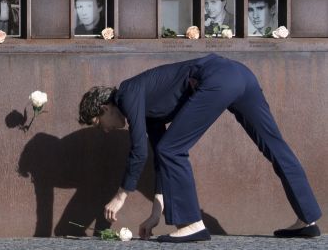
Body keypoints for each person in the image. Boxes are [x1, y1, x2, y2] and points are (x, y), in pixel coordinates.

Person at [78, 53, 322, 242]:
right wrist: (156, 213)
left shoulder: (127, 93)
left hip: (218, 78)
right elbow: (159, 157)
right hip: (241, 75)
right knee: (275, 147)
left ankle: (191, 223)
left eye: (98, 123)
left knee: (172, 149)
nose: (105, 130)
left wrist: (120, 196)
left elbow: (139, 151)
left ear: (105, 107)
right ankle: (307, 219)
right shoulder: (144, 108)